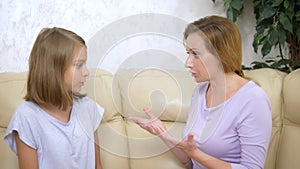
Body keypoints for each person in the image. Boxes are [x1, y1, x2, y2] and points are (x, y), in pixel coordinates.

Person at [128, 15, 272, 169]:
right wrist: (163, 133)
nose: (187, 63)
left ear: (221, 54)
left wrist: (196, 153)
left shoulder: (253, 99)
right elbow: (190, 163)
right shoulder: (201, 91)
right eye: (188, 53)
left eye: (195, 54)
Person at [4, 27, 104, 169]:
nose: (86, 72)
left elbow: (97, 165)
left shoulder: (88, 108)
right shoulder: (26, 117)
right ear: (54, 69)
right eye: (79, 65)